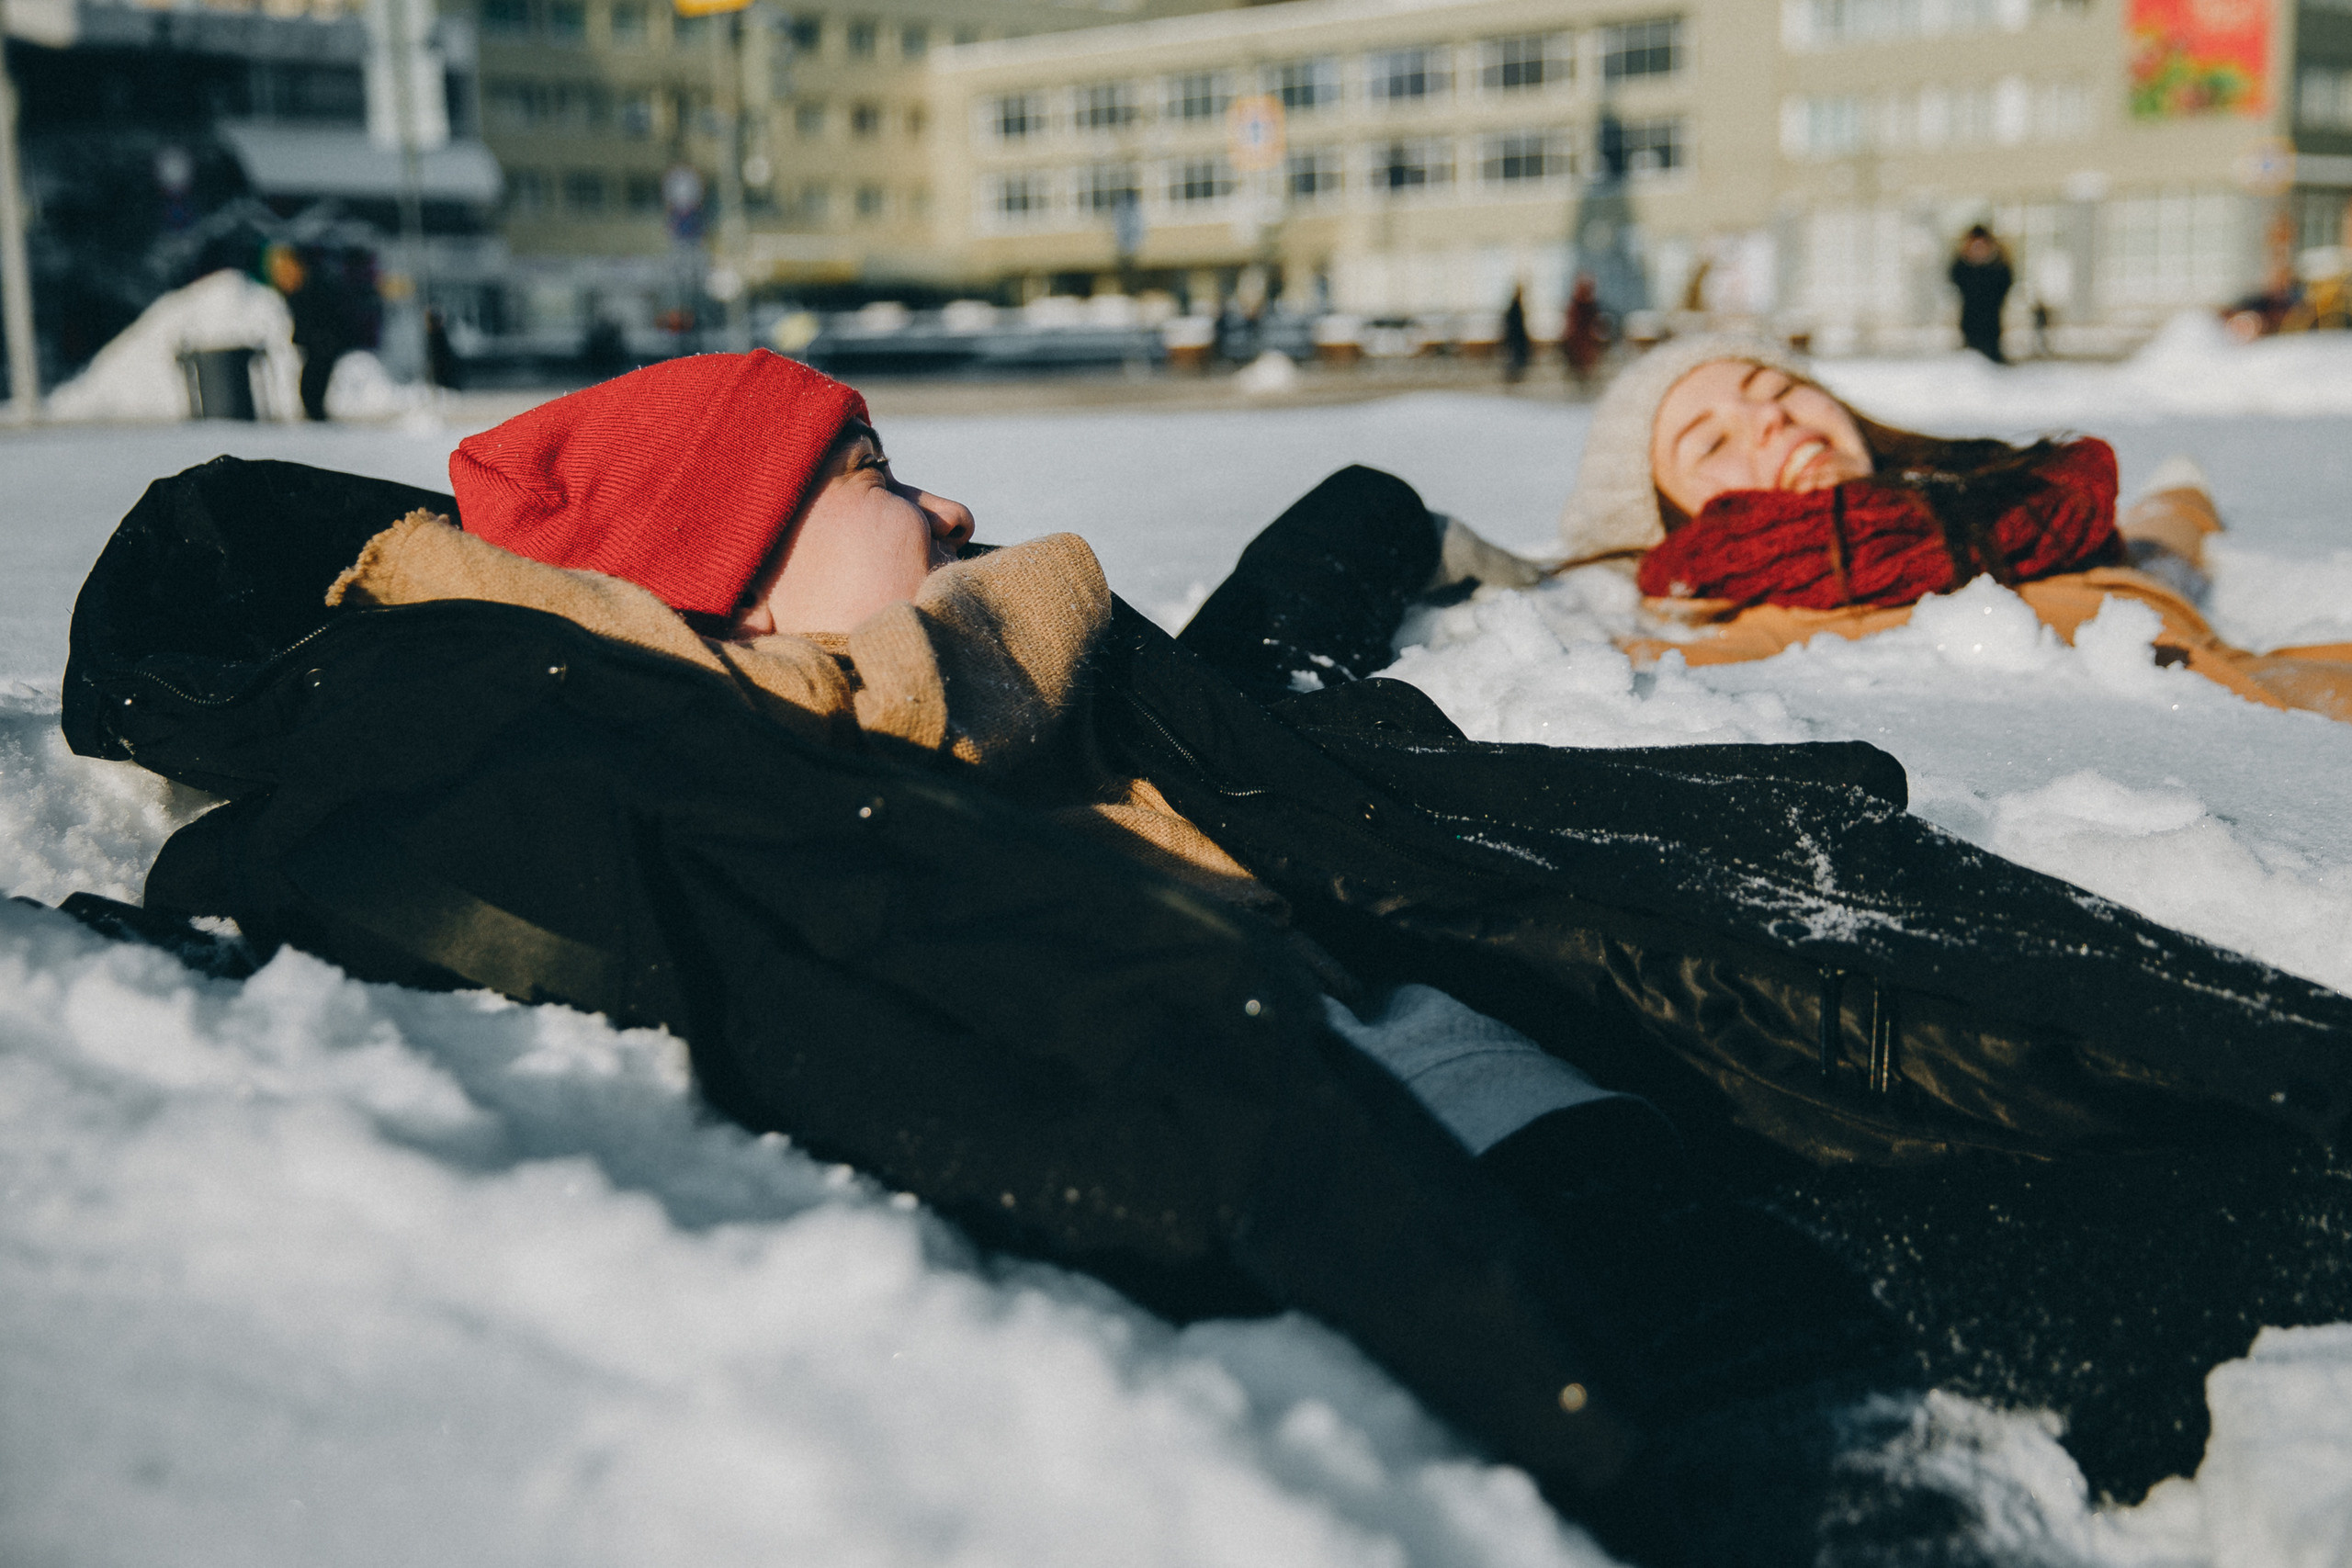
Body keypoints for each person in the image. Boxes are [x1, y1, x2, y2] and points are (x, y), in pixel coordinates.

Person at [60, 351, 2352, 1558]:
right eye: (868, 464)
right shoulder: (662, 782)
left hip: (1682, 1136)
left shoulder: (1060, 671)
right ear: (735, 577)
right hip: (1539, 1274)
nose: (949, 504)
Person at [1550, 333, 2352, 722]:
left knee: (2165, 523)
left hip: (2188, 615)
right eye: (1714, 442)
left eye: (1775, 386)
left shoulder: (1992, 502)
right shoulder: (1761, 637)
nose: (1768, 418)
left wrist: (2183, 497)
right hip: (2254, 719)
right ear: (1672, 525)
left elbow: (2146, 544)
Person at [1948, 224, 2012, 364]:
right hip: (1970, 326)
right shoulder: (1963, 269)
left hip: (1992, 327)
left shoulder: (1997, 269)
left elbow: (2003, 286)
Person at [1500, 284, 1533, 385]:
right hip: (1516, 341)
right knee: (1515, 363)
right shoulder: (1515, 307)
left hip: (1516, 341)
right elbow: (1513, 326)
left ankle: (1513, 381)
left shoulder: (1515, 306)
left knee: (1516, 363)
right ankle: (1512, 382)